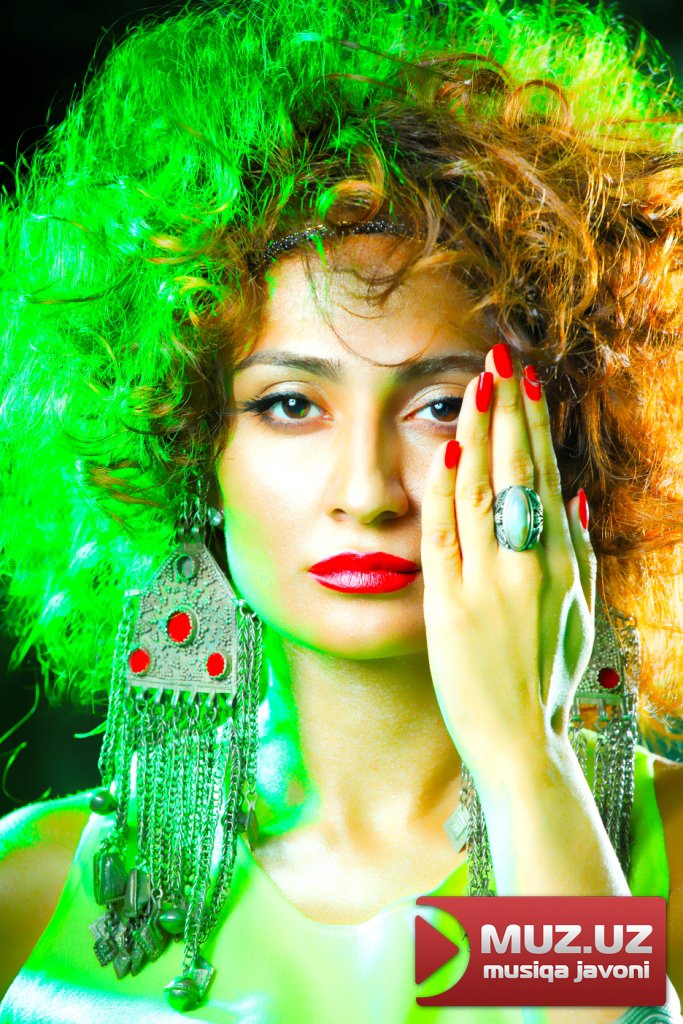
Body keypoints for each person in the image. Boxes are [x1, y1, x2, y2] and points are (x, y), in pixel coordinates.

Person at [0, 0, 681, 1021]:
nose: (365, 492)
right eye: (288, 404)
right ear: (184, 449)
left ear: (568, 437)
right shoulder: (33, 894)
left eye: (440, 405)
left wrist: (525, 763)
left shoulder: (668, 852)